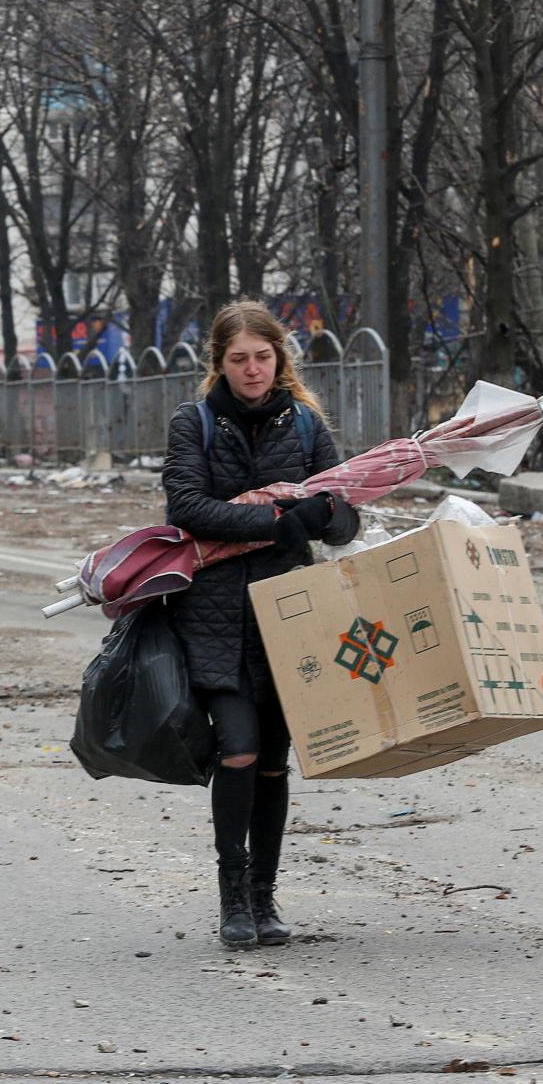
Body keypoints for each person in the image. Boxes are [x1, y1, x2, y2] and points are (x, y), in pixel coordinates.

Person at [163, 301, 359, 949]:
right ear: (219, 363)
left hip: (290, 613)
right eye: (240, 359)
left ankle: (264, 899)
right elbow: (188, 507)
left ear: (280, 358)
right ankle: (231, 900)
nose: (252, 369)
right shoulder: (195, 423)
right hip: (215, 614)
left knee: (274, 762)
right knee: (238, 748)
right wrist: (277, 521)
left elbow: (345, 512)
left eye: (263, 357)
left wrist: (323, 515)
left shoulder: (302, 423)